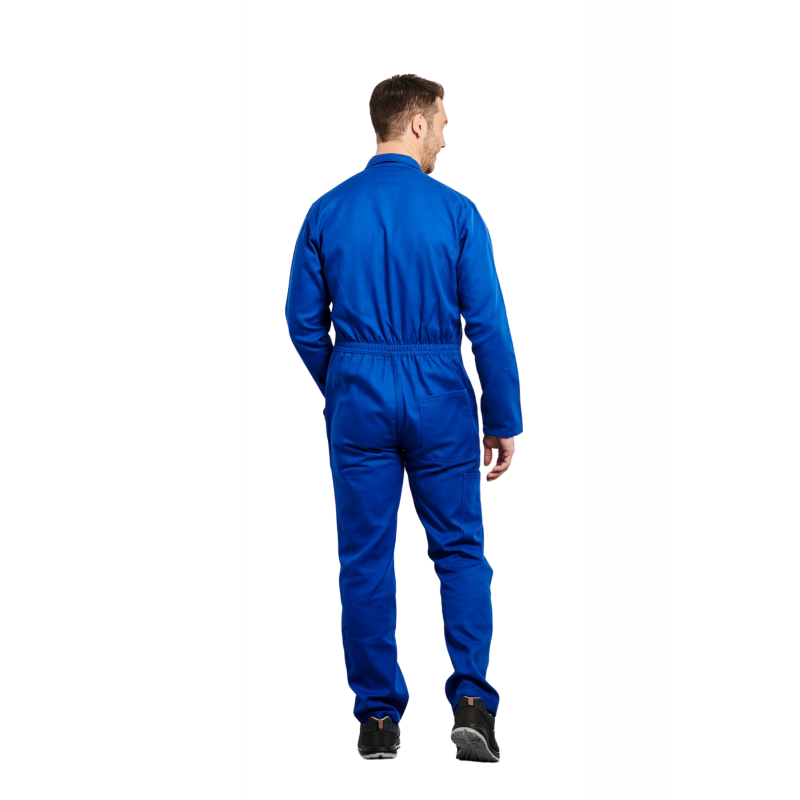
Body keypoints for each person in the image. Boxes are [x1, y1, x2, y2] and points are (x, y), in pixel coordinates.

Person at [284, 73, 523, 762]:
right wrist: (501, 418)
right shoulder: (458, 212)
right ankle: (473, 704)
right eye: (443, 122)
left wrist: (344, 384)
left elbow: (302, 324)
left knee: (364, 559)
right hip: (440, 393)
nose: (446, 136)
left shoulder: (325, 210)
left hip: (358, 393)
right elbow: (488, 326)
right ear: (415, 122)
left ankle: (379, 723)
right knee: (460, 551)